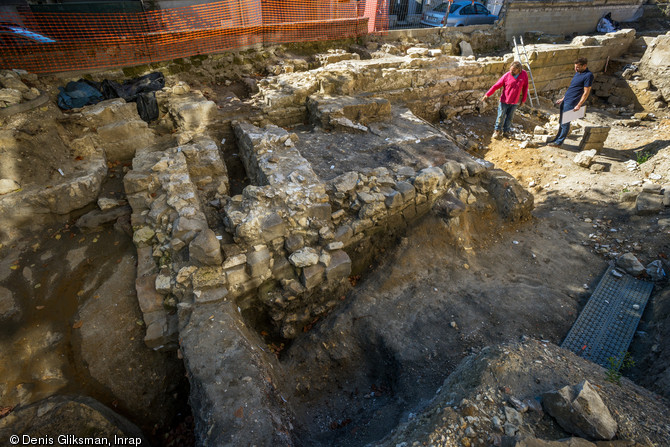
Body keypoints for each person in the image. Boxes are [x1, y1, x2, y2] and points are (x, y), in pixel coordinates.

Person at [547, 57, 594, 147]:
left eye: (578, 67)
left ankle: (559, 142)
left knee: (565, 122)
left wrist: (579, 105)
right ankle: (556, 139)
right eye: (575, 67)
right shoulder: (577, 73)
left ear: (584, 65)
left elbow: (586, 92)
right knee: (561, 122)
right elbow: (572, 88)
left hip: (573, 102)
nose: (576, 69)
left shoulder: (588, 75)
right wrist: (562, 98)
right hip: (566, 100)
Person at [481, 61, 529, 139]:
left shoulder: (524, 74)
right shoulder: (506, 76)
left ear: (518, 70)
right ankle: (497, 131)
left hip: (515, 101)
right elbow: (496, 86)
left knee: (510, 117)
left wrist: (523, 100)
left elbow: (525, 87)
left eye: (513, 70)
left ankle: (506, 131)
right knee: (500, 116)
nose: (511, 71)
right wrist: (487, 94)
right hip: (504, 101)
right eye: (511, 69)